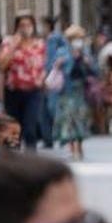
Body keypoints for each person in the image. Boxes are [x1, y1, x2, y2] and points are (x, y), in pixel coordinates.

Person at [0, 13, 47, 150]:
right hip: (13, 91)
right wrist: (14, 45)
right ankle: (14, 163)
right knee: (13, 130)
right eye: (22, 25)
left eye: (29, 25)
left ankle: (30, 163)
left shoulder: (39, 44)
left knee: (30, 128)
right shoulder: (8, 42)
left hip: (33, 92)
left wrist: (43, 80)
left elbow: (44, 66)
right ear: (17, 27)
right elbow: (1, 65)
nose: (26, 28)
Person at [55, 25, 99, 160]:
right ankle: (72, 148)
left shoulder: (86, 52)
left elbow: (95, 71)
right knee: (68, 119)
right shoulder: (63, 52)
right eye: (74, 38)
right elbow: (64, 70)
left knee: (80, 119)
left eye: (80, 38)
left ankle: (79, 147)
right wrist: (71, 59)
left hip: (81, 91)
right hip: (67, 90)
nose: (77, 40)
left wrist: (87, 62)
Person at [42, 16, 68, 149]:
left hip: (52, 78)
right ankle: (49, 138)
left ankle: (54, 137)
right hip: (47, 77)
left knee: (52, 108)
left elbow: (52, 59)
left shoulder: (55, 39)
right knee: (48, 109)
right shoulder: (46, 40)